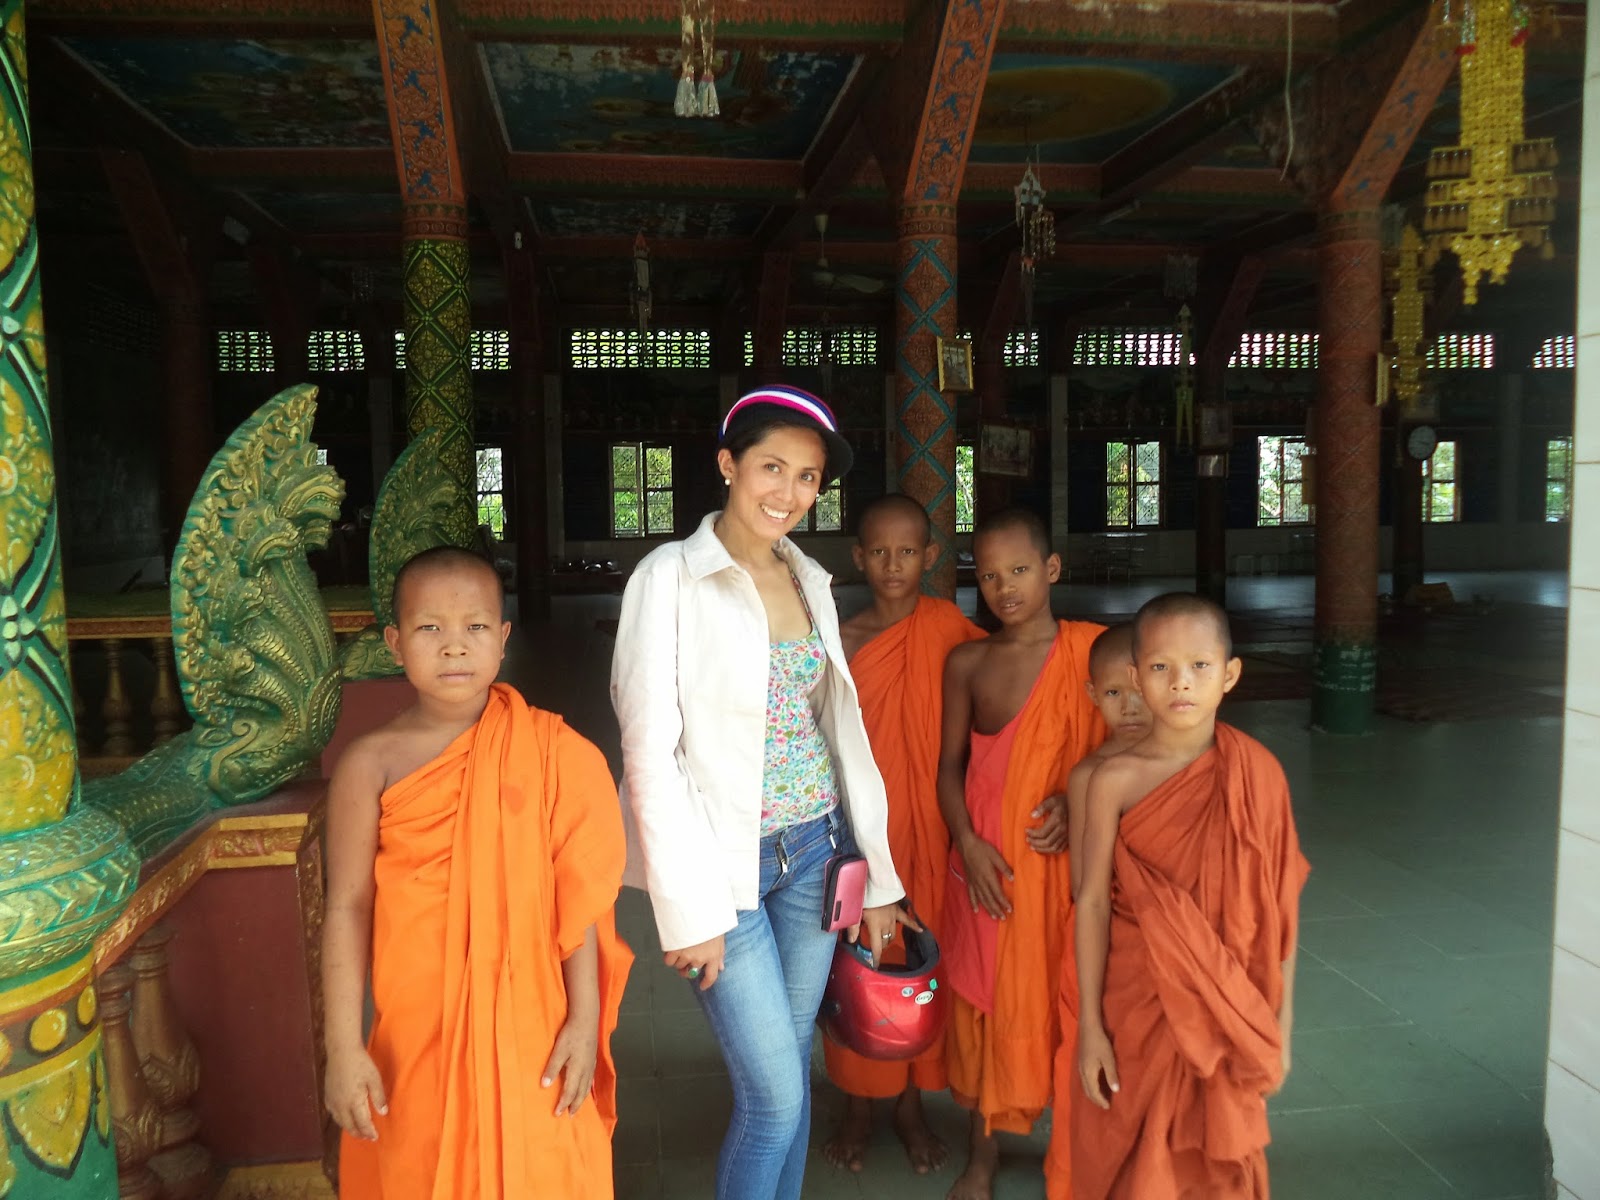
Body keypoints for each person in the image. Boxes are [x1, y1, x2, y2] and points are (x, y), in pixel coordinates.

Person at [610, 385, 911, 1200]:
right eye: (771, 467)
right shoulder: (669, 578)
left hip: (815, 853)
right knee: (774, 1098)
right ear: (728, 465)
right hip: (723, 871)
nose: (788, 492)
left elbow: (838, 734)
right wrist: (690, 913)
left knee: (789, 1080)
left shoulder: (808, 578)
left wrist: (879, 878)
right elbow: (649, 754)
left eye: (808, 477)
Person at [322, 547, 632, 1199]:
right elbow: (347, 906)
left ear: (504, 637)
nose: (454, 645)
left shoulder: (551, 751)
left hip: (534, 1028)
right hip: (417, 1033)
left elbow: (576, 905)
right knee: (420, 1166)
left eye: (476, 626)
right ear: (395, 642)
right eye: (430, 627)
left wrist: (583, 1021)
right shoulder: (368, 764)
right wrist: (343, 1046)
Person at [1073, 593, 1309, 1200]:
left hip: (1229, 1006)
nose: (1181, 682)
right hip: (1137, 1000)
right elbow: (1092, 903)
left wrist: (1279, 1027)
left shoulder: (1258, 774)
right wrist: (1091, 1028)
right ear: (1136, 677)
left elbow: (1279, 913)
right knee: (1129, 1149)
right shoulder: (1112, 780)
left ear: (1229, 674)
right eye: (1160, 667)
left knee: (1215, 1161)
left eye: (1200, 666)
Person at [936, 508, 1107, 1200]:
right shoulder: (968, 662)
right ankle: (981, 1156)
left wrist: (1077, 797)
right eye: (989, 576)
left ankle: (1072, 1151)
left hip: (1065, 870)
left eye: (1019, 570)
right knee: (987, 1005)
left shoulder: (1093, 654)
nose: (1004, 588)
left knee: (1065, 997)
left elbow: (1130, 744)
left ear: (1052, 569)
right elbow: (948, 769)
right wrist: (967, 844)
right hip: (989, 870)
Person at [822, 494, 985, 1176]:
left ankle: (911, 1106)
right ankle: (858, 1105)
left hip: (932, 831)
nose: (894, 564)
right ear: (859, 557)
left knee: (917, 965)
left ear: (930, 556)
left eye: (908, 551)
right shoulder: (844, 640)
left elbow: (995, 706)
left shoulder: (950, 629)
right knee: (857, 965)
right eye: (880, 552)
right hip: (863, 838)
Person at [1043, 622, 1151, 1200]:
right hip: (1107, 958)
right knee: (1097, 1082)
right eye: (1113, 693)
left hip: (1172, 961)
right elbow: (1087, 893)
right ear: (1092, 696)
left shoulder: (1195, 762)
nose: (1130, 706)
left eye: (1140, 687)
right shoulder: (1088, 778)